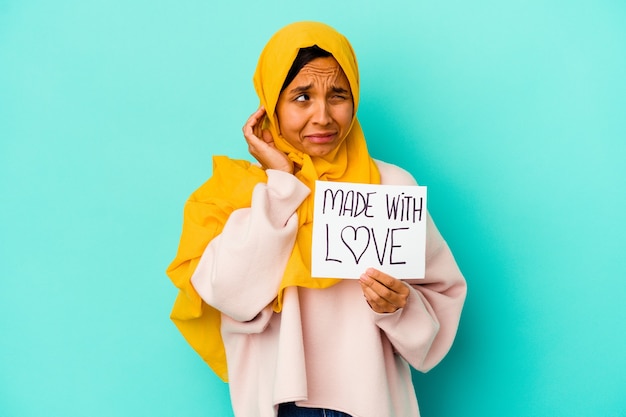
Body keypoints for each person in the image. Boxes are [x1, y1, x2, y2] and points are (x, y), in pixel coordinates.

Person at [167, 21, 466, 417]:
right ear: (272, 102)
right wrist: (281, 185)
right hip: (279, 405)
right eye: (302, 97)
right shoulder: (237, 191)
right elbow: (229, 296)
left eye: (338, 95)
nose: (322, 116)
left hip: (371, 403)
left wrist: (399, 306)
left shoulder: (390, 186)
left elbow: (440, 304)